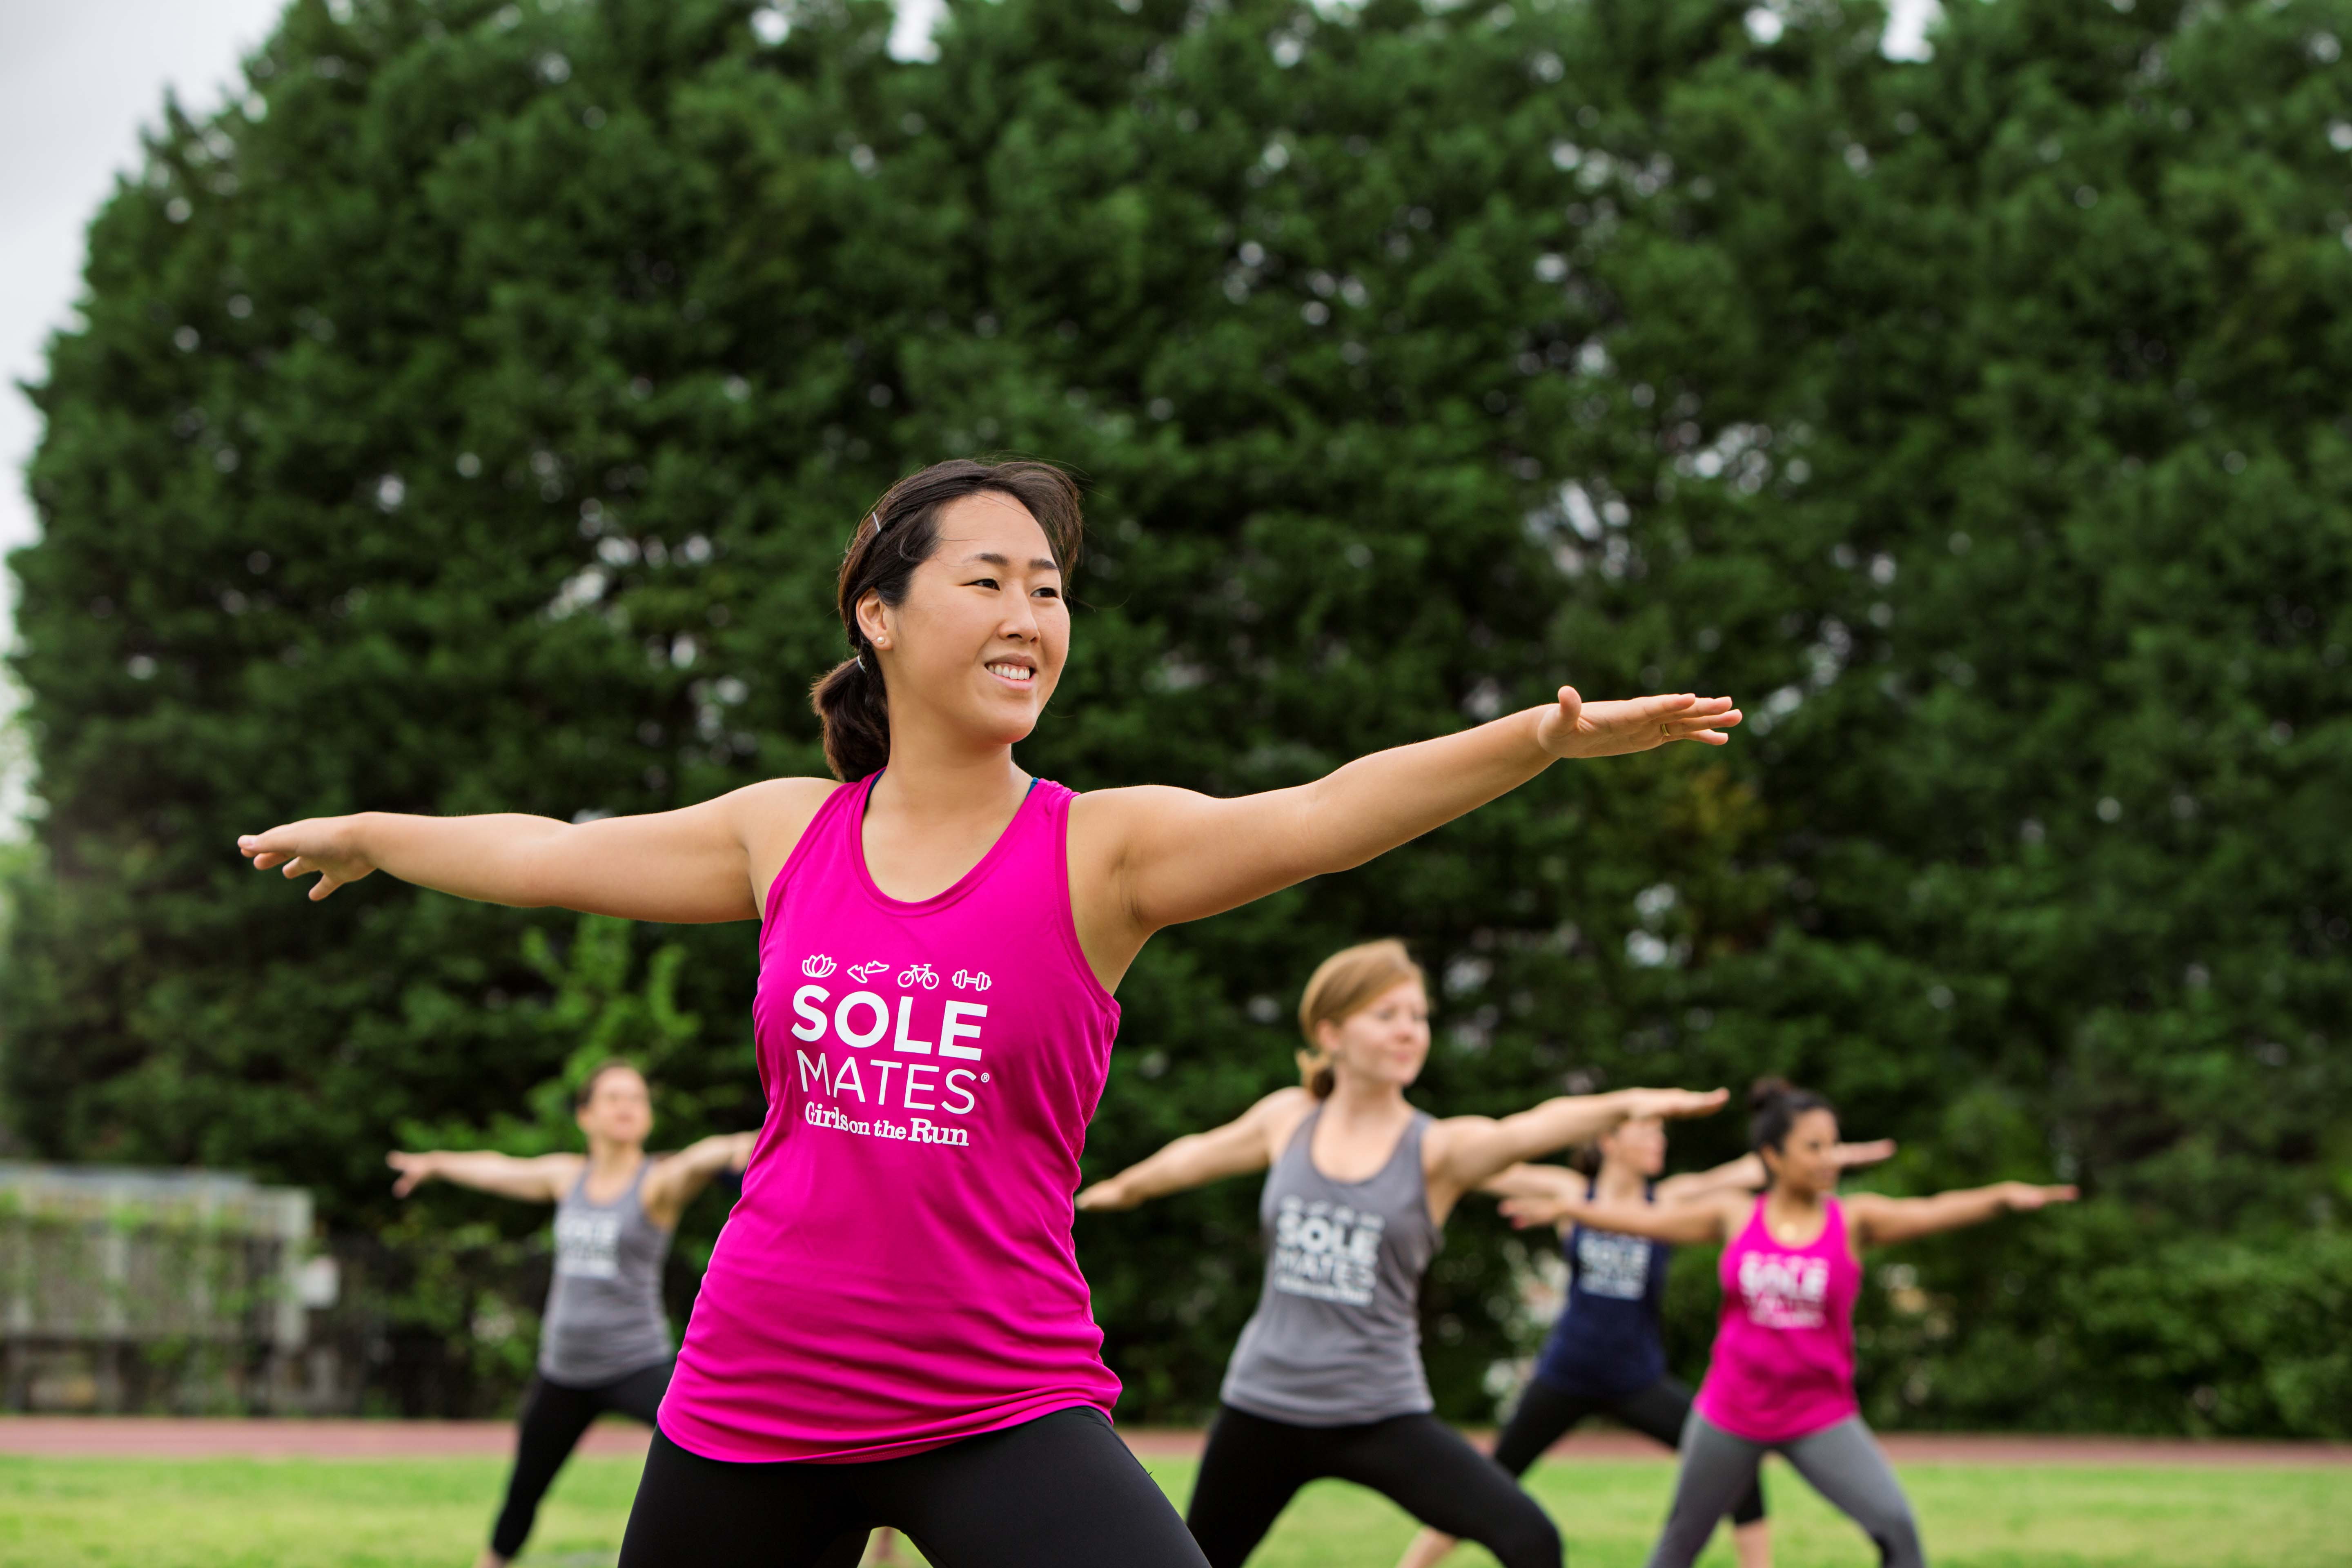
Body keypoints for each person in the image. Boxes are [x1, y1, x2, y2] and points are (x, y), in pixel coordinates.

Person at [240, 457, 1740, 1568]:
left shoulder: (1102, 852)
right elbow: (550, 853)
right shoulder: (787, 833)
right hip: (758, 1387)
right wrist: (381, 830)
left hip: (996, 1391)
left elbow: (1326, 812)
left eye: (1051, 588)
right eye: (990, 579)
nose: (1032, 610)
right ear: (878, 615)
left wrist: (1533, 744)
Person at [1075, 938, 1727, 1568]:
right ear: (1331, 1034)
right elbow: (1195, 1157)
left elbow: (1531, 1126)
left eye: (1418, 1017)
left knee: (1531, 1539)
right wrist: (1110, 1191)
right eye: (1386, 1015)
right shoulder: (1288, 1120)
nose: (1409, 1031)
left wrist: (1625, 1105)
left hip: (1379, 1412)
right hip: (1264, 1406)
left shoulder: (1437, 1150)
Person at [1501, 1078, 2075, 1568]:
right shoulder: (1733, 1217)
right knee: (1678, 1547)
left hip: (1819, 1415)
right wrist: (1571, 1209)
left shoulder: (1853, 1220)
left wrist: (2000, 1197)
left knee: (1898, 1528)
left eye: (1833, 1144)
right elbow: (1639, 1221)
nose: (1829, 1157)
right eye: (1813, 1146)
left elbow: (1930, 1212)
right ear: (1773, 1158)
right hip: (1730, 1412)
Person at [1394, 1120, 1897, 1568]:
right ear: (1610, 1140)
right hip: (1566, 1372)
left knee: (1738, 1471)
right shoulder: (1571, 1191)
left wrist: (1832, 1155)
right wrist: (1406, 1137)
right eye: (1648, 1132)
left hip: (1638, 1378)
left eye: (1661, 1132)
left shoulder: (1671, 1200)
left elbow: (1755, 1167)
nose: (1660, 1140)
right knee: (1494, 1478)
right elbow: (1479, 1165)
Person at [385, 1060, 755, 1568]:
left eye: (638, 1098)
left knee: (713, 1450)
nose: (628, 1107)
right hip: (563, 1371)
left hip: (636, 1364)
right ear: (585, 1115)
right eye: (614, 1097)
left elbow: (704, 1157)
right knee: (523, 1492)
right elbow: (499, 1168)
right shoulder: (567, 1177)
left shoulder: (658, 1184)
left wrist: (743, 1144)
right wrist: (435, 1163)